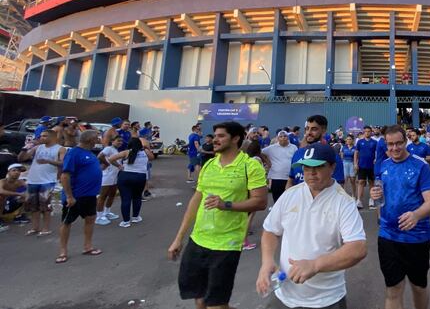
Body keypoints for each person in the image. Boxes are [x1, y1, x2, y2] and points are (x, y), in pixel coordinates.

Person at [168, 121, 268, 309]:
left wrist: (226, 205)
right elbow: (195, 202)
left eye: (221, 136)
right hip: (198, 240)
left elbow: (261, 202)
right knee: (198, 299)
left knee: (216, 304)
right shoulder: (209, 166)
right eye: (214, 136)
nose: (215, 140)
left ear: (236, 138)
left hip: (226, 244)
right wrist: (179, 238)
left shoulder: (250, 166)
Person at [258, 143, 367, 308]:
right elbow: (270, 231)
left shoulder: (343, 202)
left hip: (326, 299)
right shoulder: (290, 194)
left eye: (318, 167)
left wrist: (315, 265)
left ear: (332, 167)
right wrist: (267, 261)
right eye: (306, 168)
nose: (311, 173)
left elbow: (358, 248)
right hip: (285, 294)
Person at [370, 126, 430, 309]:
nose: (395, 148)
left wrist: (416, 214)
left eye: (399, 143)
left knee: (418, 287)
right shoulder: (383, 165)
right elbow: (380, 199)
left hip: (417, 237)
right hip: (388, 236)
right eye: (390, 144)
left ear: (405, 141)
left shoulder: (420, 165)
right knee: (393, 289)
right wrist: (375, 196)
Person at [57, 130, 103, 264]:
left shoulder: (90, 153)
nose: (98, 140)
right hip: (76, 196)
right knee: (67, 223)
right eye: (96, 138)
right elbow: (65, 176)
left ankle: (87, 247)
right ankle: (63, 251)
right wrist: (69, 196)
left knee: (90, 219)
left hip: (90, 195)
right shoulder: (74, 153)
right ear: (90, 140)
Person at [20, 129, 65, 235]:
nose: (41, 138)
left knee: (45, 205)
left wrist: (48, 161)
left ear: (53, 137)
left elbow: (63, 163)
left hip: (48, 180)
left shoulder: (60, 149)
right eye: (41, 136)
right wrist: (24, 149)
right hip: (33, 179)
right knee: (33, 206)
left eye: (44, 136)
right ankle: (35, 228)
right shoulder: (37, 147)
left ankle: (46, 228)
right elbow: (21, 158)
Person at [109, 137, 154, 228]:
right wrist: (146, 148)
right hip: (140, 176)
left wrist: (119, 166)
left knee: (126, 198)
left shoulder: (126, 152)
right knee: (137, 197)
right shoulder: (145, 152)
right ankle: (135, 217)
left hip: (126, 176)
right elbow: (152, 158)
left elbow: (110, 159)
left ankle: (126, 221)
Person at [261, 130, 298, 203]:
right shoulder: (272, 148)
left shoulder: (294, 147)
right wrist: (267, 161)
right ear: (278, 138)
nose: (283, 138)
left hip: (289, 178)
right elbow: (260, 152)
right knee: (277, 199)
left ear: (288, 138)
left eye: (285, 136)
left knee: (289, 199)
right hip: (276, 177)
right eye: (281, 136)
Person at [95, 134, 123, 225]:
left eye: (121, 141)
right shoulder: (108, 148)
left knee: (112, 194)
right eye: (118, 140)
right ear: (112, 141)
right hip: (107, 175)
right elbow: (100, 156)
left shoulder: (116, 150)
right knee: (103, 195)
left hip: (114, 176)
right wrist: (107, 164)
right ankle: (99, 216)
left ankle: (107, 212)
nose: (120, 142)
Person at [354, 125, 378, 209]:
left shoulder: (375, 142)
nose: (367, 133)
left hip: (371, 166)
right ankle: (359, 201)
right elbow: (356, 153)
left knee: (371, 182)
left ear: (371, 132)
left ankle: (371, 200)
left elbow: (377, 153)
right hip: (361, 165)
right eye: (365, 131)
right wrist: (355, 163)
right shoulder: (360, 142)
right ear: (363, 132)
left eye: (369, 131)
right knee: (361, 182)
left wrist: (376, 159)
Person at [0, 163, 28, 231]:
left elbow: (30, 189)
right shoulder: (2, 181)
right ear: (8, 172)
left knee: (28, 197)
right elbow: (1, 191)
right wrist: (19, 194)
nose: (17, 172)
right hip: (3, 202)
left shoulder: (20, 182)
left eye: (19, 171)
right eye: (14, 170)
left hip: (6, 204)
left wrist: (26, 194)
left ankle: (19, 216)